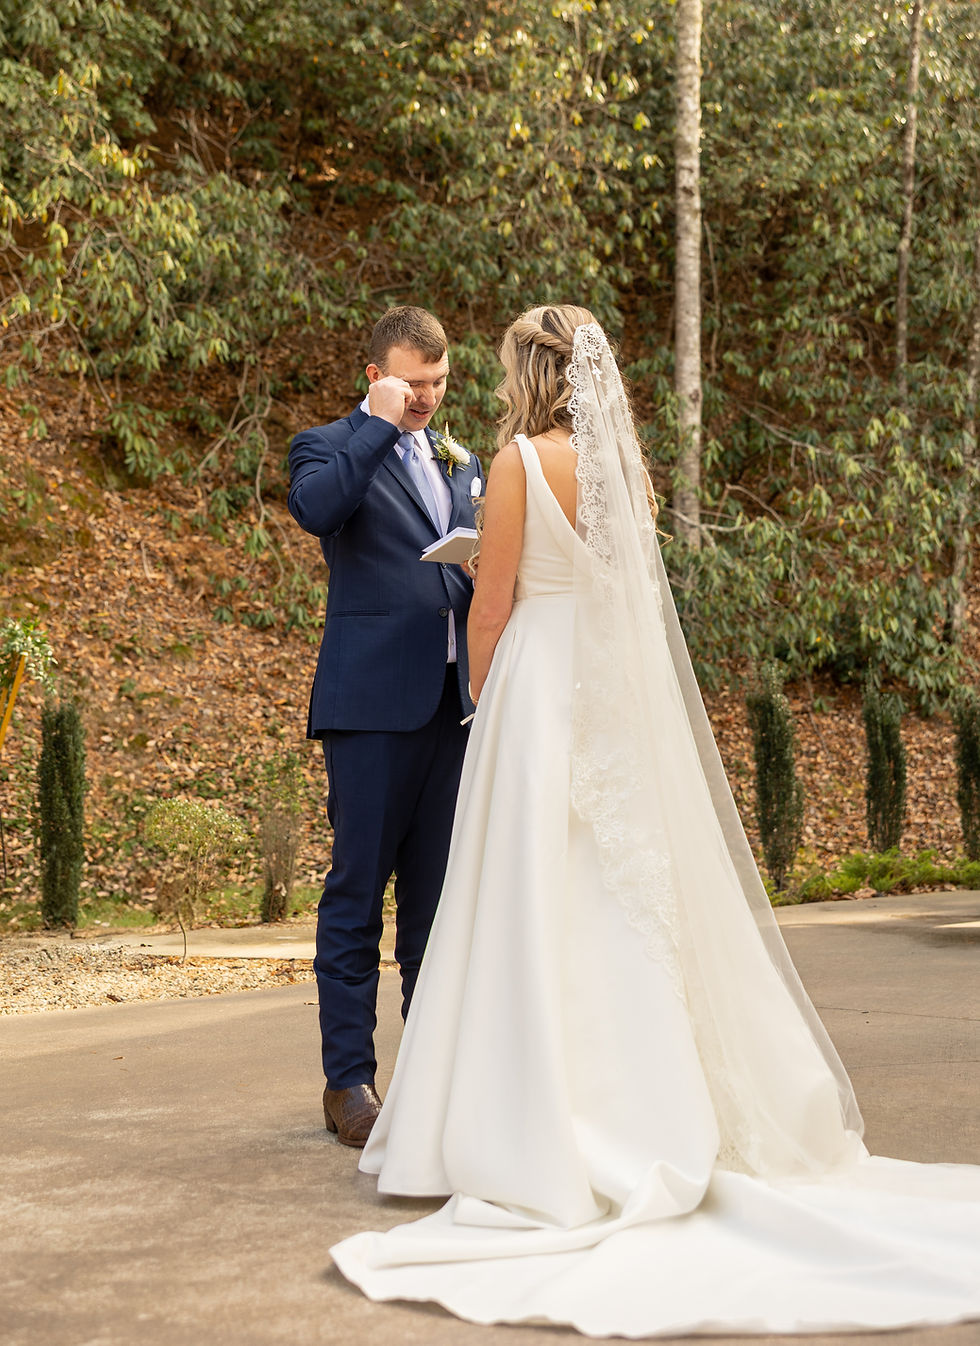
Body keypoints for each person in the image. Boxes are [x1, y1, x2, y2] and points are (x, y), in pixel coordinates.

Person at [329, 305, 980, 1336]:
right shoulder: (624, 472)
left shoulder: (512, 463)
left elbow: (488, 609)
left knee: (526, 896)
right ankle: (658, 1101)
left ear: (525, 375)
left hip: (540, 688)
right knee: (622, 901)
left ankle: (523, 1117)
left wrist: (482, 705)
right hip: (610, 698)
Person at [287, 306, 482, 1147]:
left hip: (453, 707)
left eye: (438, 384)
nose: (427, 399)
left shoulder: (463, 459)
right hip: (371, 708)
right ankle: (349, 1084)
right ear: (375, 375)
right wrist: (377, 426)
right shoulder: (328, 444)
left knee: (438, 907)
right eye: (412, 383)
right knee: (357, 897)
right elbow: (319, 512)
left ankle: (431, 1077)